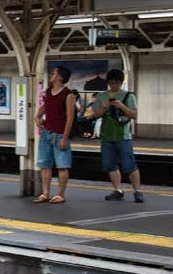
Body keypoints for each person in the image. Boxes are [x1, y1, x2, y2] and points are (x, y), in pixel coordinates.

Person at [85, 68, 143, 203]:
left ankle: (137, 191)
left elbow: (134, 115)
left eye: (117, 83)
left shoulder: (129, 96)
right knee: (109, 164)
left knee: (130, 165)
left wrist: (122, 106)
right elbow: (95, 115)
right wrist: (104, 107)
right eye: (111, 83)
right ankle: (118, 190)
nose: (114, 86)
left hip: (123, 135)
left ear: (121, 82)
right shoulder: (101, 96)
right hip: (106, 135)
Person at [33, 66, 76, 204]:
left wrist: (65, 137)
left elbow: (70, 117)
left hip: (59, 134)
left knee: (62, 165)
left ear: (60, 77)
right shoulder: (49, 91)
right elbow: (46, 105)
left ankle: (60, 194)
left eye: (54, 73)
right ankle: (45, 193)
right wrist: (38, 116)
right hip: (46, 132)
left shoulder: (68, 95)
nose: (51, 74)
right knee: (45, 164)